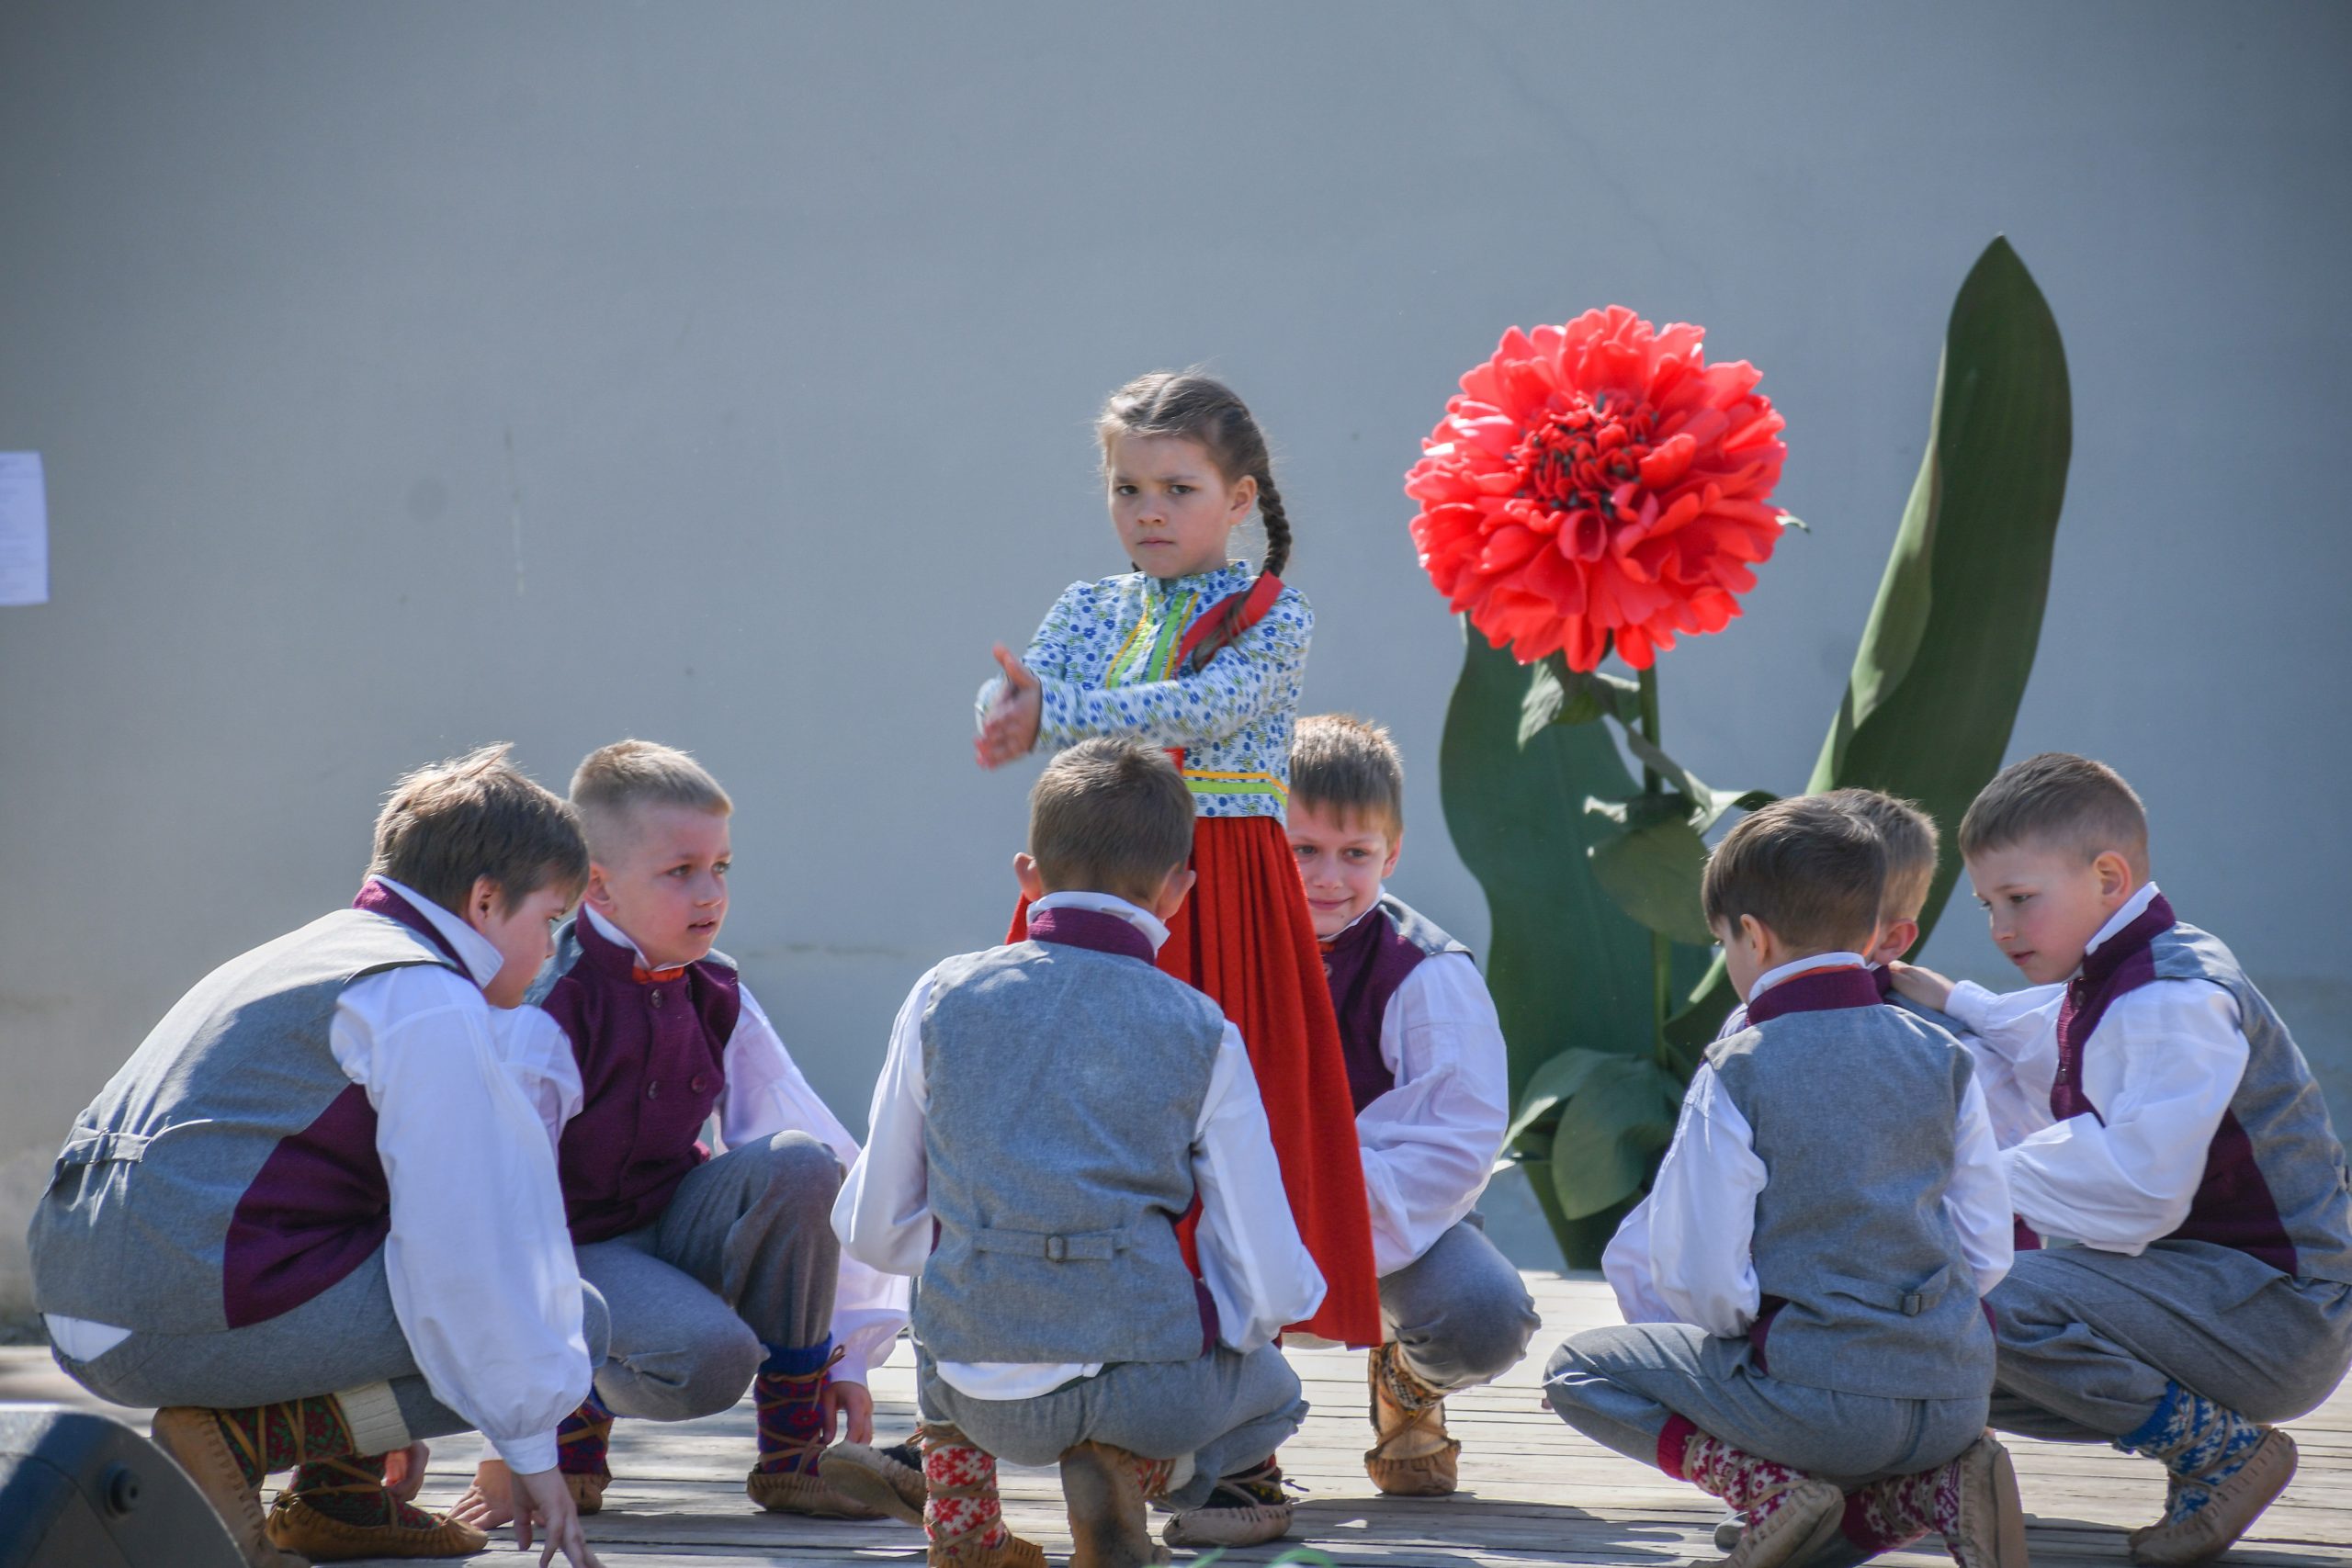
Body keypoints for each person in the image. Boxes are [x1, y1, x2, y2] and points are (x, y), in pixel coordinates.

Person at [27, 745, 606, 1567]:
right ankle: (241, 1439)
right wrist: (530, 1449)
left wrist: (377, 1412)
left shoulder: (308, 950)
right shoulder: (426, 994)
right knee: (567, 1314)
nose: (551, 950)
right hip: (180, 1310)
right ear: (484, 901)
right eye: (549, 919)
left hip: (81, 1303)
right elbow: (467, 1244)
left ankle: (339, 1495)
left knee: (397, 1236)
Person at [831, 739, 1327, 1565]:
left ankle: (963, 1522)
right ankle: (1135, 1470)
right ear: (1178, 889)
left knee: (938, 1271)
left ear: (1027, 877)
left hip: (977, 1390)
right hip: (1146, 1388)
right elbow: (1269, 1276)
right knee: (1275, 1392)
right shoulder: (1205, 1030)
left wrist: (982, 1252)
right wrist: (1213, 1322)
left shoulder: (940, 995)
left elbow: (876, 1229)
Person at [973, 371, 1380, 1365]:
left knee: (1222, 1109)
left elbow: (1204, 708)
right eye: (1127, 489)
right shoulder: (1086, 605)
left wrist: (1052, 713)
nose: (1147, 511)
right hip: (1088, 879)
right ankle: (1068, 1341)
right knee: (1076, 1098)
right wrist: (1003, 705)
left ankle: (1222, 1373)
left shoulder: (1272, 614)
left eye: (1177, 489)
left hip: (1219, 884)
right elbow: (1027, 684)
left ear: (1239, 499)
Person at [1891, 752, 2352, 1565]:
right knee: (1936, 1346)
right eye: (1989, 904)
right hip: (2221, 1298)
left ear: (2109, 877)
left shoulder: (2173, 996)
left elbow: (2144, 1183)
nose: (2000, 927)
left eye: (2020, 899)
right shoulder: (2127, 971)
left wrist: (1961, 1179)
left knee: (1967, 1291)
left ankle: (2219, 1451)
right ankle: (1933, 1477)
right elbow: (2052, 1040)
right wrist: (1951, 999)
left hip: (2278, 1315)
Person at [449, 739, 913, 1528]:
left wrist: (850, 1349)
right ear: (599, 885)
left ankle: (795, 1453)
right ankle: (568, 1427)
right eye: (680, 871)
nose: (711, 893)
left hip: (671, 1231)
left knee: (803, 1163)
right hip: (572, 1260)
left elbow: (814, 1142)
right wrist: (511, 1443)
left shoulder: (714, 988)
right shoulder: (551, 1007)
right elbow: (500, 1222)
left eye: (721, 867)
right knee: (711, 1361)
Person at [1555, 797, 2020, 1568]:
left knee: (1578, 1368)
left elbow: (1698, 1276)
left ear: (1754, 935)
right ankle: (1931, 1488)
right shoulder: (1944, 1054)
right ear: (1869, 932)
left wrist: (1757, 1338)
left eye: (1723, 943)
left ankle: (1767, 1488)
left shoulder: (1740, 1064)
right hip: (1956, 1399)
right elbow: (1987, 1249)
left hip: (1820, 1405)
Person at [1281, 714, 1537, 1498]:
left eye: (1354, 853)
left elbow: (1452, 1145)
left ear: (1391, 855)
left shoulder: (1426, 973)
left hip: (1378, 1221)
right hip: (1236, 1220)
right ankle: (1236, 1435)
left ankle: (1408, 1382)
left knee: (1485, 1317)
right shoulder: (1218, 945)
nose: (1328, 876)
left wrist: (1327, 1210)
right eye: (1303, 850)